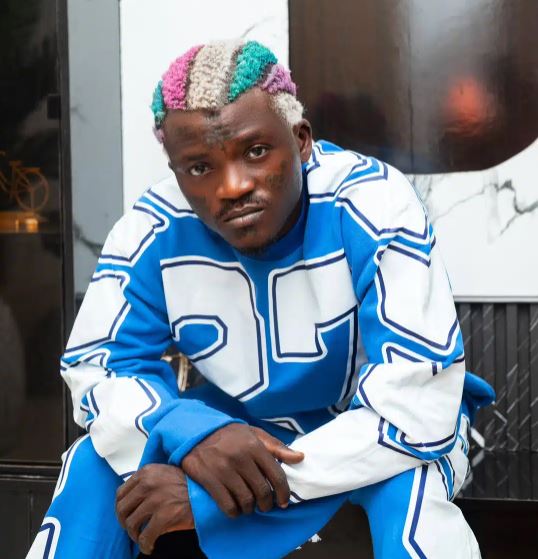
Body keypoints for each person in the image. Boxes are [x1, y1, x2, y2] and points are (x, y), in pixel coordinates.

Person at [27, 39, 494, 559]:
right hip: (238, 428)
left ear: (301, 140)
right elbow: (96, 367)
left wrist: (215, 493)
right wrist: (190, 433)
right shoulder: (153, 226)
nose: (232, 187)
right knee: (91, 464)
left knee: (412, 502)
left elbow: (414, 407)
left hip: (371, 426)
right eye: (199, 168)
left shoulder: (373, 200)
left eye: (255, 152)